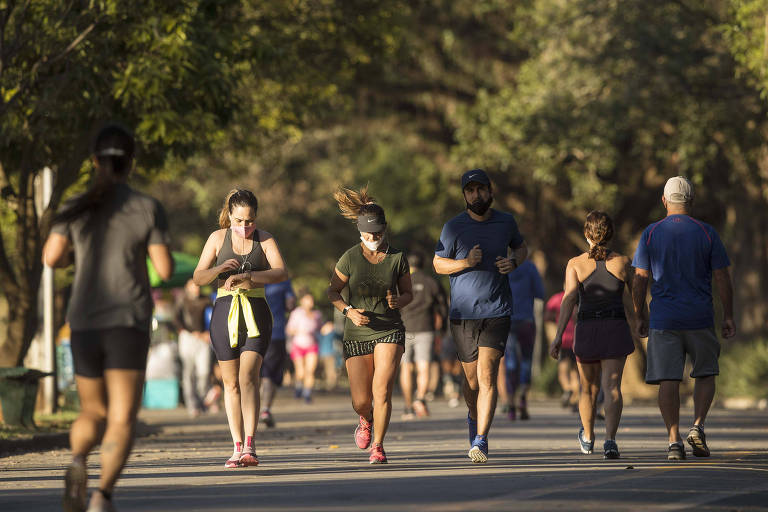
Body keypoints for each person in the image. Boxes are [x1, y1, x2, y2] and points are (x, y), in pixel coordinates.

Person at [44, 124, 173, 512]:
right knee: (121, 416)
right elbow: (165, 270)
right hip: (127, 321)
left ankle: (77, 461)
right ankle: (102, 496)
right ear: (130, 163)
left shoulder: (75, 205)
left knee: (91, 411)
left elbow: (52, 257)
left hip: (83, 320)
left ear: (95, 161)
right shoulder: (146, 207)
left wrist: (74, 255)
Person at [631, 176, 735, 461]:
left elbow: (640, 278)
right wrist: (728, 315)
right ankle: (698, 426)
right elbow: (722, 276)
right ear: (691, 201)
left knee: (668, 380)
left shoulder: (650, 233)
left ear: (664, 201)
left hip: (664, 319)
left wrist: (640, 314)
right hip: (700, 316)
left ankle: (673, 440)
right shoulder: (707, 232)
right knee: (705, 373)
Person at [433, 169, 528, 463]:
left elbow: (522, 248)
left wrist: (513, 262)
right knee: (471, 381)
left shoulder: (506, 222)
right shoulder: (453, 227)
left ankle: (481, 439)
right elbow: (438, 264)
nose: (476, 195)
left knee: (487, 377)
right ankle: (473, 417)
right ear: (464, 195)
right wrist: (465, 262)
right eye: (470, 190)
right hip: (462, 315)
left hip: (497, 310)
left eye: (481, 189)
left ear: (490, 191)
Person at [192, 188, 287, 468]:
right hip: (224, 312)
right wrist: (220, 270)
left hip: (256, 312)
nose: (244, 226)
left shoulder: (265, 238)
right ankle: (236, 446)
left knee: (248, 378)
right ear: (229, 217)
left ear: (255, 218)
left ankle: (250, 444)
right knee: (230, 383)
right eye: (239, 220)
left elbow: (281, 271)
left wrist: (249, 275)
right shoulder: (217, 238)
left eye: (249, 221)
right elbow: (198, 277)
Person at [326, 186, 412, 464]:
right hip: (357, 333)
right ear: (359, 232)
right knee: (361, 401)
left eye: (377, 233)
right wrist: (348, 311)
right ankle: (365, 418)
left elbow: (408, 293)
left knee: (382, 390)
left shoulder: (398, 258)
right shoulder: (349, 257)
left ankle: (378, 445)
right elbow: (332, 292)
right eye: (367, 234)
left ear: (384, 230)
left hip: (390, 330)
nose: (373, 238)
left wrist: (399, 301)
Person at [549, 211, 638, 459]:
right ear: (610, 234)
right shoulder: (623, 262)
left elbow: (568, 300)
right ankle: (610, 440)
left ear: (586, 234)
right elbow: (635, 299)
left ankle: (588, 437)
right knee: (612, 388)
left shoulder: (575, 264)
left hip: (587, 330)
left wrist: (558, 337)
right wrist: (642, 321)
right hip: (615, 329)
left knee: (587, 389)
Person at [399, 251, 447, 419]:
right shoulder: (431, 282)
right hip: (425, 328)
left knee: (406, 367)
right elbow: (442, 305)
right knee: (423, 366)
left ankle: (407, 406)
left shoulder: (401, 282)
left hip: (405, 328)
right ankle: (420, 398)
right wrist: (443, 328)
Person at [498, 259, 545, 420]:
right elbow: (540, 293)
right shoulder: (530, 267)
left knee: (510, 362)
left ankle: (510, 403)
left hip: (506, 320)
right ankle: (523, 397)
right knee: (526, 360)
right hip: (526, 320)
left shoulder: (500, 265)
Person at [173, 279, 213, 417]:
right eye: (193, 286)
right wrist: (189, 332)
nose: (196, 288)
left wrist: (209, 333)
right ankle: (192, 405)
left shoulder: (206, 300)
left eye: (198, 286)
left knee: (204, 371)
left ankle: (202, 400)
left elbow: (212, 317)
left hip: (204, 339)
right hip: (188, 338)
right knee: (188, 373)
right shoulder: (182, 300)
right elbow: (176, 319)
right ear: (187, 287)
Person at [260, 279, 296, 427]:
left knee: (254, 374)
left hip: (250, 332)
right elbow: (290, 305)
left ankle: (250, 412)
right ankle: (265, 409)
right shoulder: (283, 281)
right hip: (275, 333)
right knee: (270, 374)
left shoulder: (250, 275)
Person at [544, 290, 580, 412]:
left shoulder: (556, 298)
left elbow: (547, 317)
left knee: (563, 370)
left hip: (563, 339)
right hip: (577, 339)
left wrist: (556, 320)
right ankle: (574, 400)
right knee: (576, 372)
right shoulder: (579, 298)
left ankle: (568, 389)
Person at [286, 290, 322, 403]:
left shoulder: (317, 314)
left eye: (311, 300)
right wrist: (300, 331)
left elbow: (320, 329)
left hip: (312, 345)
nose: (310, 302)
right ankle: (298, 386)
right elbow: (289, 330)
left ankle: (307, 393)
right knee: (300, 372)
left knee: (310, 371)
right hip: (298, 345)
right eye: (308, 299)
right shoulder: (296, 313)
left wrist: (326, 329)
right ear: (302, 301)